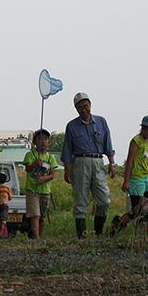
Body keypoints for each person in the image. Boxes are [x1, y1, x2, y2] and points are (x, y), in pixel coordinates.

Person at [61, 92, 117, 239]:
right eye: (79, 107)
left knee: (104, 200)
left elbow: (108, 144)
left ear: (90, 104)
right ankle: (82, 235)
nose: (83, 109)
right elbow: (67, 149)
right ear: (76, 109)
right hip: (80, 162)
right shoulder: (71, 126)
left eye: (85, 106)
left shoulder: (101, 122)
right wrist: (67, 170)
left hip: (98, 161)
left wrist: (112, 163)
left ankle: (98, 233)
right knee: (80, 199)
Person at [112, 116, 148, 237]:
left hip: (146, 177)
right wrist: (126, 181)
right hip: (136, 178)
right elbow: (130, 161)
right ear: (144, 128)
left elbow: (146, 161)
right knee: (137, 209)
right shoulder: (136, 141)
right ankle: (117, 224)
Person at [23, 129, 57, 239]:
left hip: (45, 191)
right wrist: (34, 164)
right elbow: (27, 169)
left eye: (45, 139)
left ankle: (38, 236)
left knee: (42, 216)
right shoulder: (30, 154)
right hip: (32, 190)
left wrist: (44, 179)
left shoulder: (51, 157)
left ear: (48, 142)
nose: (43, 141)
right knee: (35, 215)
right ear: (34, 141)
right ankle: (36, 238)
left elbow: (52, 174)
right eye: (39, 139)